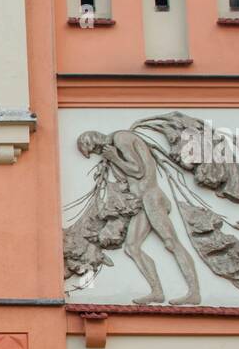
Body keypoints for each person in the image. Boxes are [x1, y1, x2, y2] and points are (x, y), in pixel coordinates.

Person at [78, 129, 200, 305]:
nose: (99, 154)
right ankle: (157, 292)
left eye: (96, 151)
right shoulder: (116, 146)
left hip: (152, 198)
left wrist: (114, 158)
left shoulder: (121, 138)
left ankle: (194, 292)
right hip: (142, 202)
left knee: (171, 243)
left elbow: (137, 171)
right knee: (132, 247)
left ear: (97, 142)